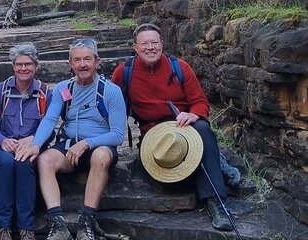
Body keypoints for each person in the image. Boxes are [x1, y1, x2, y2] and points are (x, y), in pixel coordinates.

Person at [111, 23, 232, 231]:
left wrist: (193, 115)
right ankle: (215, 161)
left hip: (185, 126)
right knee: (170, 179)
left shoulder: (180, 67)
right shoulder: (125, 72)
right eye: (145, 43)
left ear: (162, 44)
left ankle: (216, 203)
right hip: (153, 133)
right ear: (135, 47)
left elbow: (200, 102)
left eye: (154, 42)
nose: (150, 47)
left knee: (204, 130)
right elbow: (112, 103)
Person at [16, 39, 126, 240]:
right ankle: (58, 224)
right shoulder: (63, 89)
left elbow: (118, 135)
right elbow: (50, 118)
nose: (82, 64)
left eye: (87, 59)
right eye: (77, 60)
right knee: (44, 159)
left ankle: (87, 221)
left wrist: (86, 143)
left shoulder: (111, 91)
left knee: (100, 155)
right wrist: (36, 145)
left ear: (97, 61)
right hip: (68, 146)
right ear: (70, 63)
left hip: (98, 146)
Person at [0, 44, 52, 240]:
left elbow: (49, 129)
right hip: (5, 145)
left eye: (28, 64)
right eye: (19, 64)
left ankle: (27, 228)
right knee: (7, 163)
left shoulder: (44, 93)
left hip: (33, 146)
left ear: (36, 66)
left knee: (24, 163)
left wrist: (34, 139)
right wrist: (2, 140)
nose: (23, 69)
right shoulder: (1, 91)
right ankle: (3, 227)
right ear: (13, 66)